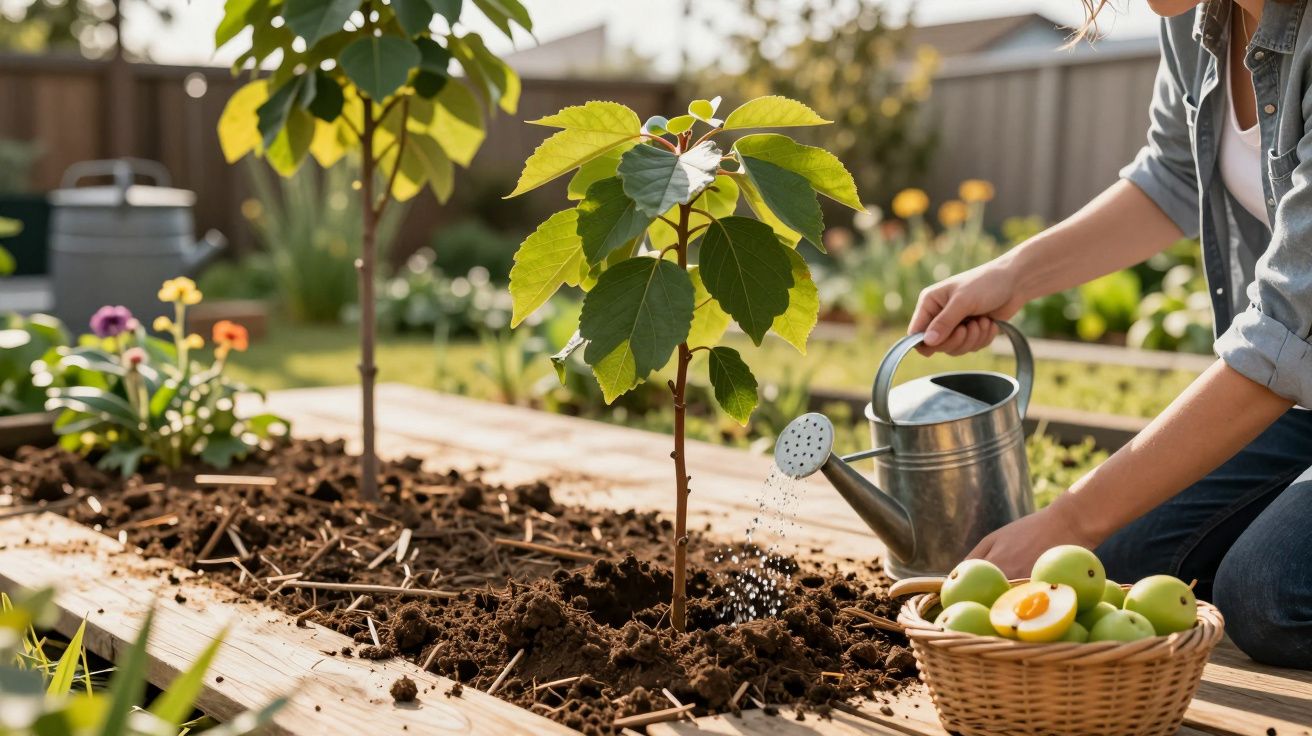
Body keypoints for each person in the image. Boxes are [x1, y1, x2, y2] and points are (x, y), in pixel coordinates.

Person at [909, 0, 1310, 668]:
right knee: (1114, 562)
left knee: (1271, 594)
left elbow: (1287, 324)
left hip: (1294, 359)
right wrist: (1014, 275)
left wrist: (1068, 519)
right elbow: (1175, 175)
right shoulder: (1193, 15)